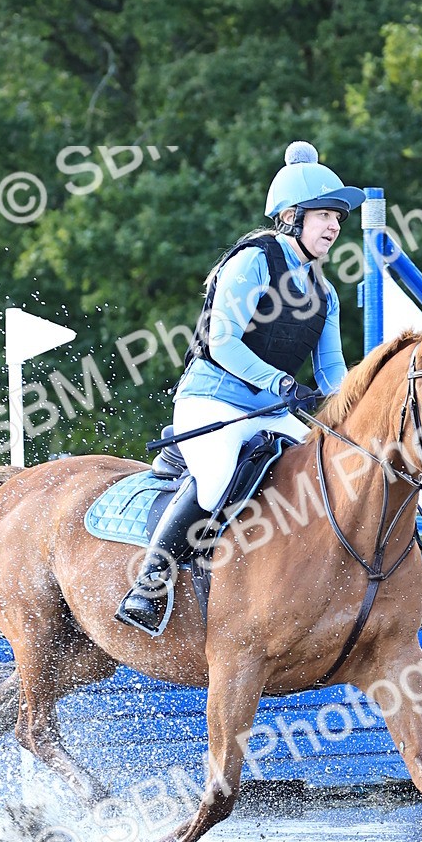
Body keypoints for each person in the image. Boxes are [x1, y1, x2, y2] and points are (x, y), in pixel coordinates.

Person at [116, 141, 366, 634]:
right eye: (325, 215)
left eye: (338, 217)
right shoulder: (252, 261)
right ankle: (149, 584)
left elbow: (333, 367)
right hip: (211, 401)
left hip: (271, 411)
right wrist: (279, 382)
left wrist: (350, 412)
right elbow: (223, 341)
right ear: (292, 217)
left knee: (328, 476)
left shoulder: (325, 291)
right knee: (215, 482)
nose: (335, 226)